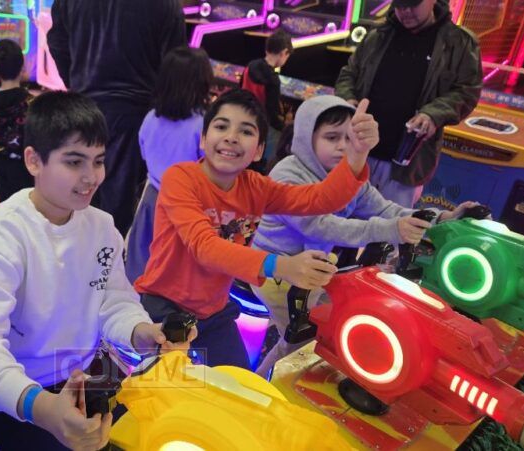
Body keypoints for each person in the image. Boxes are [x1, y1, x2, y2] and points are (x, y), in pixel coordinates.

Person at [0, 91, 195, 451]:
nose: (91, 177)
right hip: (21, 388)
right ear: (34, 161)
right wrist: (42, 407)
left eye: (98, 161)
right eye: (74, 162)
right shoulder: (0, 235)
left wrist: (144, 333)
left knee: (151, 431)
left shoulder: (101, 226)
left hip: (87, 370)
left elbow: (114, 300)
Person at [134, 89, 378, 369]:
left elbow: (320, 199)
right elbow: (205, 247)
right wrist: (281, 266)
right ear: (203, 139)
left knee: (237, 384)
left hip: (214, 312)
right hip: (163, 306)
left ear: (259, 150)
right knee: (160, 387)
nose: (231, 136)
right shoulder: (181, 178)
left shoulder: (256, 187)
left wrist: (357, 155)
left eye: (246, 131)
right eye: (221, 126)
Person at [249, 95, 478, 377]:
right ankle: (260, 385)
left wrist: (441, 218)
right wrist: (391, 229)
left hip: (312, 270)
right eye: (332, 137)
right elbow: (321, 226)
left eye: (350, 138)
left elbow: (386, 209)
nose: (343, 146)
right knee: (302, 339)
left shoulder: (348, 174)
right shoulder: (288, 174)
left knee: (320, 328)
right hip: (277, 271)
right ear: (307, 137)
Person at [47, 0, 186, 235]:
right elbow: (175, 63)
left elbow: (57, 43)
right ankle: (110, 254)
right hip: (136, 113)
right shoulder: (166, 5)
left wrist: (76, 82)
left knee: (79, 192)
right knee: (120, 203)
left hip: (85, 105)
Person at [334, 0, 482, 207]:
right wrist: (348, 101)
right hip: (358, 151)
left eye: (413, 4)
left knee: (393, 223)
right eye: (400, 5)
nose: (405, 12)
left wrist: (433, 114)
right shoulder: (378, 35)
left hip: (406, 164)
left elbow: (467, 91)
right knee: (340, 216)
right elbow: (348, 74)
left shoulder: (459, 42)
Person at [125, 46, 213, 283]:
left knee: (140, 260)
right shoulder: (203, 124)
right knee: (172, 268)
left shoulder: (151, 116)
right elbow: (206, 168)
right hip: (185, 203)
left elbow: (144, 152)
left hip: (151, 196)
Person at [0, 39, 34, 202]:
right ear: (23, 67)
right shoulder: (31, 104)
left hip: (1, 164)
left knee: (7, 207)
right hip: (27, 168)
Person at [241, 29, 293, 162]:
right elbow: (272, 112)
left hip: (243, 116)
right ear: (284, 53)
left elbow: (240, 89)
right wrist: (285, 128)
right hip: (262, 126)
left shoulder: (250, 66)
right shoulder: (273, 79)